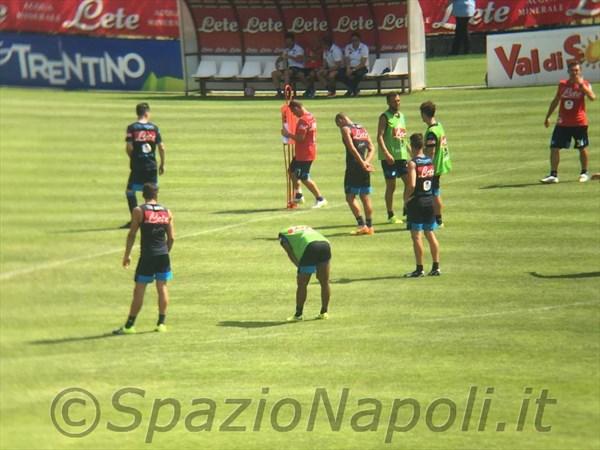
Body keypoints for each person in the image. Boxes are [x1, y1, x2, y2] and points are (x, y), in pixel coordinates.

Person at [113, 183, 175, 334]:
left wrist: (127, 255)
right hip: (163, 255)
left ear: (143, 194)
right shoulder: (167, 211)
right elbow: (172, 238)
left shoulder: (139, 211)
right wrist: (165, 251)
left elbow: (132, 234)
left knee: (139, 289)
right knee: (162, 287)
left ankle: (130, 325)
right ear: (156, 194)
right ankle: (161, 324)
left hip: (147, 255)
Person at [541, 61, 596, 184]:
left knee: (582, 147)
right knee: (554, 147)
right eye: (572, 70)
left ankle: (584, 173)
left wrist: (582, 86)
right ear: (568, 71)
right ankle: (553, 175)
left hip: (579, 122)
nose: (574, 73)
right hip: (563, 122)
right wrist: (547, 116)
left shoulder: (585, 84)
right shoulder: (563, 84)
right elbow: (556, 100)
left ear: (580, 71)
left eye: (576, 70)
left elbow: (592, 97)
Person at [122, 102, 165, 228]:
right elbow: (161, 147)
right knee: (153, 192)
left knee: (130, 191)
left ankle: (134, 219)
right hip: (151, 165)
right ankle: (154, 219)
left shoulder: (132, 128)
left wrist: (134, 158)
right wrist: (162, 163)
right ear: (147, 113)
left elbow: (129, 147)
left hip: (138, 165)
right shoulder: (154, 128)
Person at [403, 134, 440, 278]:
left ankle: (419, 269)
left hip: (417, 201)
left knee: (416, 236)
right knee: (430, 233)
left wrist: (406, 198)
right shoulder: (429, 161)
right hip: (429, 200)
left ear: (412, 146)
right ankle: (436, 267)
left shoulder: (412, 163)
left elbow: (412, 184)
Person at [281, 100, 327, 208]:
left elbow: (300, 138)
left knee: (304, 177)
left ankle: (320, 198)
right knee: (292, 171)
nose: (294, 114)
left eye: (293, 112)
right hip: (302, 152)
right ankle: (299, 195)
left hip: (305, 153)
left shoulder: (303, 120)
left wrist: (288, 134)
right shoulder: (310, 116)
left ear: (297, 108)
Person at [335, 113, 376, 235]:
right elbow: (372, 148)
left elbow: (352, 148)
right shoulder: (362, 128)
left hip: (353, 166)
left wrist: (362, 163)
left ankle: (362, 225)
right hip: (364, 167)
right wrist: (366, 162)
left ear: (341, 120)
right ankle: (370, 226)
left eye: (338, 124)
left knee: (350, 197)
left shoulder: (345, 129)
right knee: (365, 196)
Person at [278, 225, 331, 321]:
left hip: (311, 247)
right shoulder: (303, 228)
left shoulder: (283, 235)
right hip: (325, 244)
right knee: (324, 282)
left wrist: (299, 266)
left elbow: (289, 252)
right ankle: (324, 312)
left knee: (302, 284)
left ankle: (298, 315)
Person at [377, 92, 410, 225]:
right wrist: (386, 153)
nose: (397, 103)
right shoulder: (385, 117)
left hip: (401, 156)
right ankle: (390, 214)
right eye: (394, 101)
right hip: (389, 158)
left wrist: (411, 153)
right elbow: (379, 136)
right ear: (388, 102)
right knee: (391, 186)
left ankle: (407, 209)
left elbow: (403, 138)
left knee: (410, 183)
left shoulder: (401, 116)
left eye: (398, 100)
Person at [421, 101, 452, 227]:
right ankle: (437, 218)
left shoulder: (432, 132)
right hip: (440, 165)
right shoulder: (439, 126)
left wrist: (427, 167)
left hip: (434, 167)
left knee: (434, 194)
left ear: (424, 114)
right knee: (435, 192)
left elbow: (431, 152)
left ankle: (438, 220)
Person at [272, 32, 305, 98]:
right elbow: (280, 58)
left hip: (297, 68)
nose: (288, 43)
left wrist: (289, 56)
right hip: (289, 68)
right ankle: (279, 92)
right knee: (274, 73)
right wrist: (277, 64)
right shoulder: (286, 50)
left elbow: (300, 60)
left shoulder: (299, 49)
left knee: (286, 72)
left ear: (293, 41)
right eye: (287, 42)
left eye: (289, 42)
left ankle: (286, 92)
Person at [342, 32, 369, 97]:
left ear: (359, 40)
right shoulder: (348, 47)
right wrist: (348, 69)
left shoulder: (364, 47)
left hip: (361, 67)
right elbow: (347, 59)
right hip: (350, 67)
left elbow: (363, 63)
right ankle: (355, 90)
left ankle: (351, 90)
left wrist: (353, 70)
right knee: (340, 74)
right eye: (353, 40)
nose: (354, 42)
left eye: (356, 40)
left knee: (358, 74)